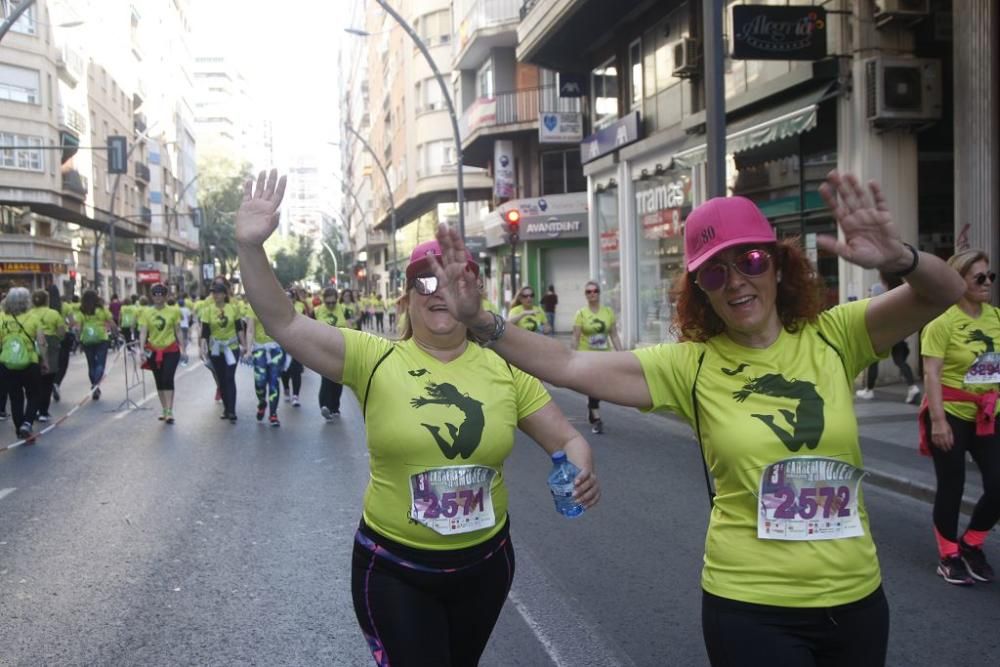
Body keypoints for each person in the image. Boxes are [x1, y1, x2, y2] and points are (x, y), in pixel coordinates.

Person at [434, 171, 966, 666]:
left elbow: (945, 292)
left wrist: (901, 257)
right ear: (702, 290)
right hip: (752, 606)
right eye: (715, 271)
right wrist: (480, 320)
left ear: (778, 266)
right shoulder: (690, 366)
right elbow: (568, 362)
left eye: (751, 261)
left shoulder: (835, 336)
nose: (736, 282)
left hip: (857, 598)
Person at [235, 170, 600, 666]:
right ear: (405, 298)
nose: (437, 290)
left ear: (471, 290)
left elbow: (567, 441)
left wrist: (578, 471)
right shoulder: (374, 358)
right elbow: (283, 321)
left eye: (451, 277)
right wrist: (251, 249)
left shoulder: (506, 370)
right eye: (422, 280)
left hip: (486, 566)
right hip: (395, 569)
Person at [919, 250, 999, 586]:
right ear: (959, 281)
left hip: (988, 414)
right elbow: (932, 373)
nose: (987, 283)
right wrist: (938, 421)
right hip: (949, 413)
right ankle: (949, 554)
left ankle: (971, 544)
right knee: (952, 486)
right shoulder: (942, 322)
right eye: (978, 277)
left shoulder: (996, 317)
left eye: (989, 276)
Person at [572, 281, 623, 434]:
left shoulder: (608, 312)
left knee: (600, 386)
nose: (592, 294)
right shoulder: (581, 313)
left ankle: (591, 407)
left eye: (595, 291)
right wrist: (572, 355)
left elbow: (613, 335)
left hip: (604, 355)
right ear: (585, 295)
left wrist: (621, 354)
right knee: (594, 384)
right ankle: (596, 417)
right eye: (588, 292)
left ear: (599, 293)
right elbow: (575, 336)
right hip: (586, 355)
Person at [0, 287, 48, 440]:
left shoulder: (1, 318)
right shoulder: (32, 318)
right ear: (26, 301)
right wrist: (44, 361)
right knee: (34, 394)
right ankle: (27, 423)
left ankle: (19, 428)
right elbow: (41, 342)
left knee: (15, 397)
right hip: (29, 362)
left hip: (7, 363)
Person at [138, 283, 183, 423]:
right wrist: (141, 349)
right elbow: (143, 331)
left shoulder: (173, 311)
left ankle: (170, 410)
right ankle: (164, 409)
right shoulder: (146, 312)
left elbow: (178, 330)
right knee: (159, 381)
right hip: (153, 350)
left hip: (170, 349)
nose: (158, 297)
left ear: (165, 296)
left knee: (167, 378)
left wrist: (184, 348)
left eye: (161, 294)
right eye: (155, 294)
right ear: (152, 297)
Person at [199, 281, 242, 422]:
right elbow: (204, 332)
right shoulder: (208, 310)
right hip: (216, 349)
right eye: (213, 293)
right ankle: (226, 407)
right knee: (221, 380)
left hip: (231, 347)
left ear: (224, 294)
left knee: (230, 377)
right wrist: (202, 348)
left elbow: (239, 328)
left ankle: (232, 410)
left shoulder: (233, 308)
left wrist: (245, 345)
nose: (215, 295)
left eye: (218, 292)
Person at [27, 289, 65, 422]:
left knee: (34, 380)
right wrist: (58, 339)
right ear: (47, 300)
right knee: (48, 379)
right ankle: (43, 411)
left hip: (32, 344)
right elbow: (61, 332)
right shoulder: (53, 313)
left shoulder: (28, 314)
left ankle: (34, 408)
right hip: (50, 344)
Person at [245, 302, 285, 427]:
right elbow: (250, 330)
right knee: (260, 381)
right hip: (259, 349)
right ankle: (262, 402)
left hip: (276, 349)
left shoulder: (278, 305)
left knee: (274, 382)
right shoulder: (253, 306)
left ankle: (273, 414)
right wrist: (248, 350)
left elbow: (284, 328)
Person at [77, 289, 117, 400]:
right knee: (100, 363)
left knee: (91, 365)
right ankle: (95, 385)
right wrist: (116, 333)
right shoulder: (101, 310)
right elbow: (111, 322)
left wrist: (79, 340)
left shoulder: (82, 311)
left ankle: (95, 386)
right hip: (101, 338)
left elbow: (79, 327)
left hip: (87, 339)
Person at [314, 286, 346, 421]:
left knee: (338, 380)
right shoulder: (317, 311)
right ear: (324, 301)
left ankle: (335, 407)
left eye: (333, 302)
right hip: (324, 349)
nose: (331, 305)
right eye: (328, 303)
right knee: (326, 378)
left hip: (341, 349)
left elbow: (351, 326)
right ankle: (325, 406)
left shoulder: (343, 309)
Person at [178, 296, 192, 365]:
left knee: (179, 341)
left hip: (179, 327)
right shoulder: (187, 309)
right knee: (185, 340)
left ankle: (182, 354)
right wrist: (188, 322)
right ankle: (184, 353)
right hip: (185, 326)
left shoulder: (177, 310)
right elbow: (189, 317)